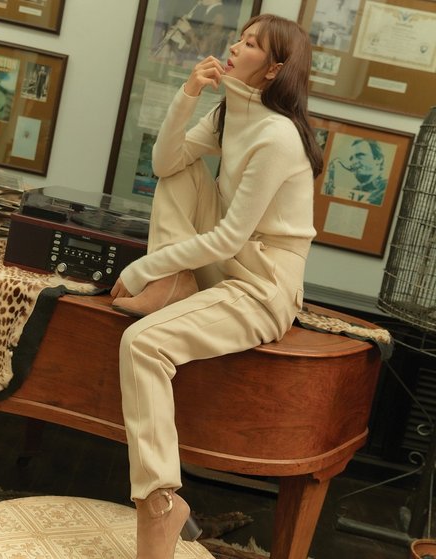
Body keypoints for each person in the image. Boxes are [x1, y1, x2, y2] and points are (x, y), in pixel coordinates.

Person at [110, 13, 323, 559]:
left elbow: (230, 238)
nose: (234, 46)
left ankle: (160, 505)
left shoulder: (278, 137)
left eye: (250, 44)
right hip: (226, 264)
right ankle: (174, 283)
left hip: (262, 287)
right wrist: (187, 94)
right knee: (181, 170)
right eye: (240, 37)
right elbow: (164, 162)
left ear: (274, 68)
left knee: (142, 343)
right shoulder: (230, 112)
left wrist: (140, 268)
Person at [323, 138, 387, 205]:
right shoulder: (354, 190)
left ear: (378, 159)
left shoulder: (386, 190)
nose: (354, 162)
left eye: (360, 156)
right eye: (351, 158)